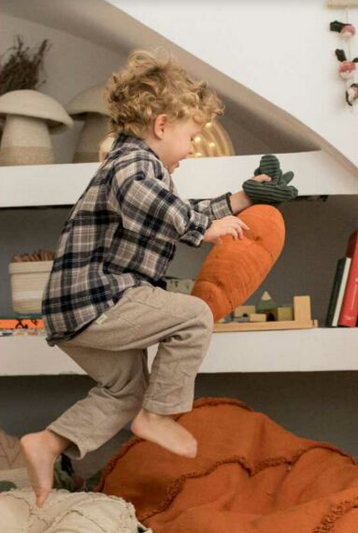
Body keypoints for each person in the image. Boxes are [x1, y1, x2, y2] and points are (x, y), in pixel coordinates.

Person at [20, 49, 271, 508]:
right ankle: (159, 416)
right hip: (97, 299)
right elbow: (157, 204)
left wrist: (240, 199)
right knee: (194, 316)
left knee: (124, 392)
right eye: (191, 136)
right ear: (161, 125)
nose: (192, 148)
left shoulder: (140, 168)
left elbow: (175, 208)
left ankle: (48, 443)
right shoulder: (132, 164)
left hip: (77, 312)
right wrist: (203, 229)